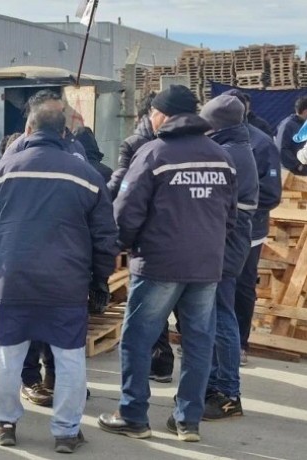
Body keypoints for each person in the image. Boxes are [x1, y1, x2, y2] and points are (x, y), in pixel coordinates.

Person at [0, 96, 117, 453]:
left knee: (8, 356)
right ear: (67, 132)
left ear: (28, 129)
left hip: (13, 280)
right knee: (69, 358)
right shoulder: (86, 175)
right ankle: (66, 432)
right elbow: (105, 237)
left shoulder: (0, 171)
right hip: (66, 285)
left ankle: (4, 423)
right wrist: (100, 280)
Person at [98, 85, 237, 443]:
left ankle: (133, 415)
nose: (149, 118)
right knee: (198, 342)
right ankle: (187, 421)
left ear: (165, 115)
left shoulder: (154, 153)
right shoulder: (221, 157)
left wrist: (116, 247)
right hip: (206, 266)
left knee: (138, 339)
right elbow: (231, 216)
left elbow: (127, 212)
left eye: (153, 112)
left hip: (159, 263)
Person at [199, 95, 259, 420]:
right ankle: (213, 385)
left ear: (216, 124)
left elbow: (220, 210)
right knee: (213, 316)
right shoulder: (234, 147)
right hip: (226, 245)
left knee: (222, 316)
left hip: (225, 248)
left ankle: (228, 393)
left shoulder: (229, 154)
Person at [223, 89, 282, 366]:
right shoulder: (211, 140)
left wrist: (239, 209)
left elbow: (271, 194)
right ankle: (212, 342)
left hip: (249, 231)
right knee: (211, 286)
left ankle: (240, 345)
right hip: (215, 230)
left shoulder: (261, 143)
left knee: (242, 287)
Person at [107, 92, 156, 196]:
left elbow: (120, 179)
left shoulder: (131, 143)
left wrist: (104, 197)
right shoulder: (173, 143)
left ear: (139, 118)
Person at [274, 96, 307, 175]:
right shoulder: (287, 125)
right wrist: (298, 166)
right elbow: (281, 149)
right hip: (293, 174)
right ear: (305, 111)